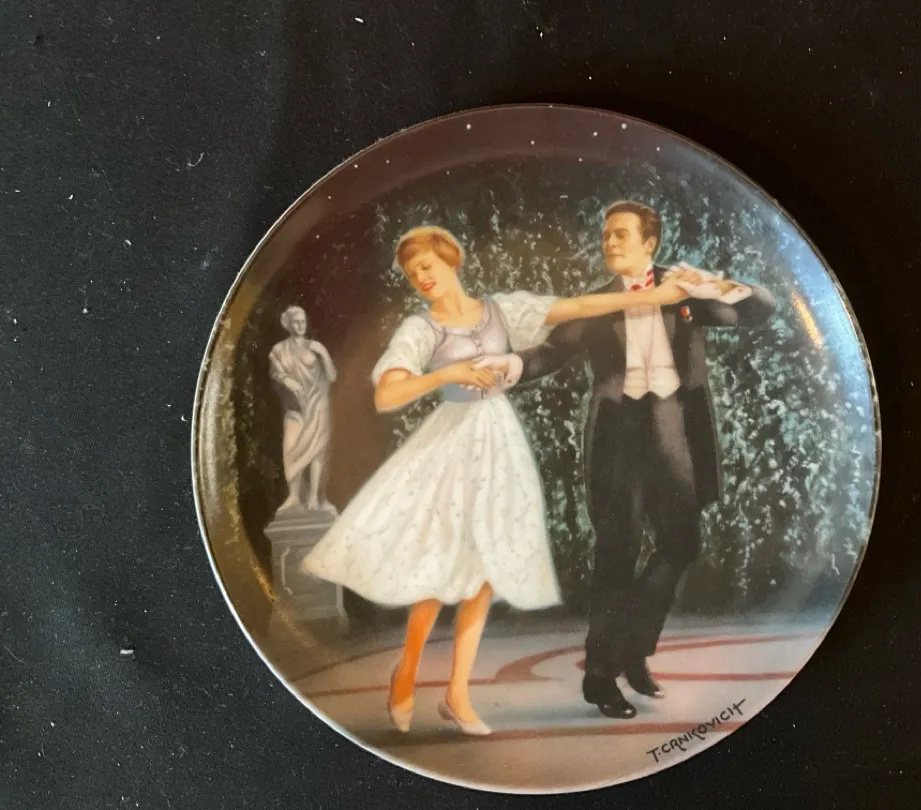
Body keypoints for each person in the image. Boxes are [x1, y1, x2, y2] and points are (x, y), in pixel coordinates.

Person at [300, 225, 692, 736]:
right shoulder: (421, 328)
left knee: (484, 568)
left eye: (428, 267)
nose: (422, 278)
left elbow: (576, 308)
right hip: (450, 442)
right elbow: (387, 394)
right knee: (438, 565)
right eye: (413, 273)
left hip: (497, 441)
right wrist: (447, 374)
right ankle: (407, 671)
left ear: (451, 262)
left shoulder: (500, 310)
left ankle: (457, 694)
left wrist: (657, 296)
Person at [487, 201, 776, 720]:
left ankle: (631, 649)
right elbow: (552, 351)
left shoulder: (685, 290)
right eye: (606, 236)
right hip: (617, 436)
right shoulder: (599, 302)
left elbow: (758, 310)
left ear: (650, 243)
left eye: (621, 234)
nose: (610, 242)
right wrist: (509, 364)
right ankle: (601, 677)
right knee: (617, 553)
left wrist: (714, 283)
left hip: (673, 430)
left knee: (682, 544)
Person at [269, 306, 337, 513]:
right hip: (295, 406)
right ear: (288, 325)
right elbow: (275, 373)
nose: (300, 326)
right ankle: (294, 496)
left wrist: (323, 354)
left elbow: (332, 376)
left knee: (317, 448)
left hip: (317, 404)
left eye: (302, 321)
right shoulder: (279, 350)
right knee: (291, 447)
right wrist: (287, 380)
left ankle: (314, 497)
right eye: (295, 322)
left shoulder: (315, 347)